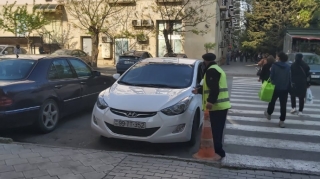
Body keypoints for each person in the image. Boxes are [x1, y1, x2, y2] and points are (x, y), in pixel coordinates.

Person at [192, 53, 231, 160]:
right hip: (221, 106)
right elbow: (209, 86)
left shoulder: (211, 71)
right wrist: (199, 90)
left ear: (205, 61)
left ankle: (219, 153)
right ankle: (217, 151)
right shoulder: (217, 68)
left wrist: (210, 101)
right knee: (217, 130)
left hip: (217, 106)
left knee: (216, 131)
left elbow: (214, 88)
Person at [264, 52, 291, 128]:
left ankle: (269, 114)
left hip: (275, 88)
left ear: (279, 58)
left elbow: (271, 77)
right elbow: (290, 78)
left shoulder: (274, 66)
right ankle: (281, 121)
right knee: (283, 105)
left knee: (272, 102)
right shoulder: (288, 67)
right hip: (284, 89)